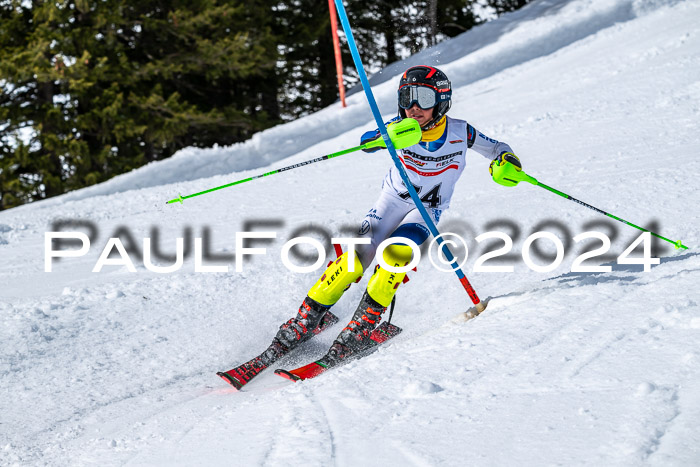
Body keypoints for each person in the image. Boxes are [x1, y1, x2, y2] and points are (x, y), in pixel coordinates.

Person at [255, 65, 521, 370]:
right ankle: (305, 320)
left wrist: (506, 160)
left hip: (425, 211)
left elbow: (497, 148)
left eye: (423, 97)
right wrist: (385, 136)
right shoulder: (401, 127)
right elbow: (366, 142)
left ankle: (362, 325)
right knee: (352, 260)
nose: (413, 107)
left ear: (442, 100)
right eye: (407, 97)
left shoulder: (462, 132)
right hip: (391, 203)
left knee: (396, 256)